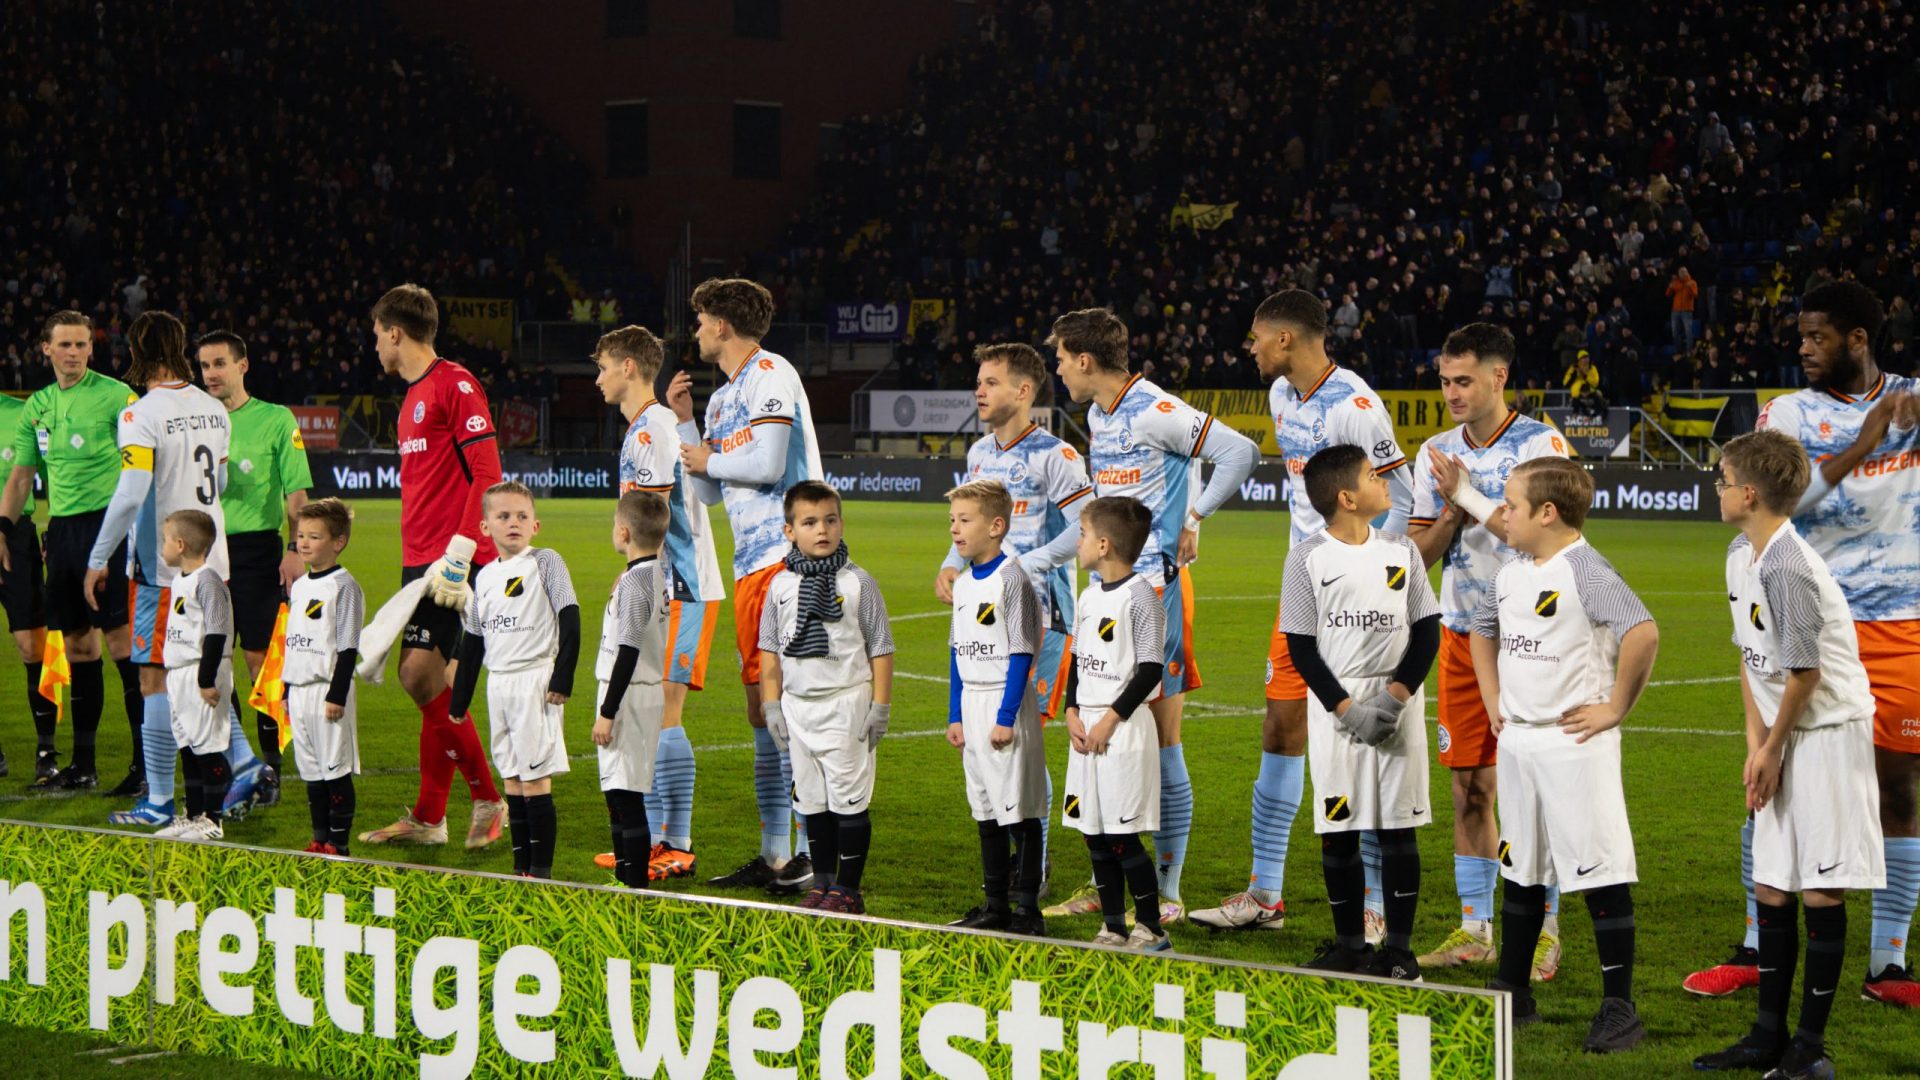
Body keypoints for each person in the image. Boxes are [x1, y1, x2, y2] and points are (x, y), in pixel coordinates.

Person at [1687, 281, 1920, 1007]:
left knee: (1898, 790)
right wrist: (1866, 444)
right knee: (1771, 778)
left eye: (1818, 336)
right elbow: (1784, 495)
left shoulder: (1915, 395)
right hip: (1806, 610)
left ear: (1859, 338)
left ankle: (1888, 966)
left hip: (1902, 620)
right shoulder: (1788, 413)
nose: (1804, 347)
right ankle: (1760, 946)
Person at [1192, 288, 1411, 936]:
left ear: (1285, 338)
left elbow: (1400, 495)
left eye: (1257, 336)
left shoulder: (1356, 406)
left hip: (1357, 601)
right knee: (1281, 728)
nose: (1250, 348)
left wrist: (1372, 572)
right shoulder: (1281, 397)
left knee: (1362, 745)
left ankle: (1373, 905)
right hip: (1302, 594)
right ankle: (1266, 895)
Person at [1046, 307, 1258, 926]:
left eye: (1061, 358)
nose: (1058, 369)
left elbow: (1239, 452)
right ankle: (1105, 876)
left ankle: (1165, 890)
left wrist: (1194, 519)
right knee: (1098, 737)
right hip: (1104, 595)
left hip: (1156, 595)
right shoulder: (1097, 413)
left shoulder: (1153, 409)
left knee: (1161, 744)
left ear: (1085, 360)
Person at [1694, 430, 1886, 1077]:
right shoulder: (1738, 555)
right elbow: (1754, 663)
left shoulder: (1786, 564)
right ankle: (1765, 1038)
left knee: (1820, 891)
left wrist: (1773, 748)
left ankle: (1810, 1048)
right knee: (1772, 886)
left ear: (1749, 493)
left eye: (1722, 480)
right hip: (1783, 734)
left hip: (1827, 736)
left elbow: (1803, 672)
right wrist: (1757, 746)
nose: (1717, 489)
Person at [1469, 457, 1658, 1053]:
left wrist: (1615, 709)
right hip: (1520, 738)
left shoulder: (1587, 569)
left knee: (1598, 873)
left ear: (1547, 513)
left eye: (1511, 505)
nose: (1503, 514)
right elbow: (1481, 630)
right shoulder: (1511, 570)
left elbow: (1643, 631)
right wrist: (1493, 697)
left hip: (1576, 742)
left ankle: (1619, 1008)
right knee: (1520, 867)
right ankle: (1512, 992)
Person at [1406, 322, 1573, 978]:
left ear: (1500, 377)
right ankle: (1475, 927)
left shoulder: (1543, 446)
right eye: (1445, 380)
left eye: (1464, 380)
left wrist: (1468, 495)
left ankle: (1546, 927)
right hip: (1459, 634)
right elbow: (1417, 555)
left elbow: (1547, 541)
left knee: (1531, 787)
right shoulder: (1436, 453)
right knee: (1470, 788)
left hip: (1530, 638)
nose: (1451, 392)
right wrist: (1450, 511)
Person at [86, 311, 266, 828]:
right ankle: (244, 763)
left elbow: (130, 494)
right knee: (195, 672)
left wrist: (99, 559)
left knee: (155, 678)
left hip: (165, 572)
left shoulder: (141, 414)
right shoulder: (215, 408)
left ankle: (161, 800)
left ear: (135, 352)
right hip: (215, 561)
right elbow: (223, 481)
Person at [674, 278, 824, 894]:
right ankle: (775, 855)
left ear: (723, 326)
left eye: (702, 319)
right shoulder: (720, 398)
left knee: (793, 710)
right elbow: (710, 489)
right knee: (761, 713)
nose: (697, 330)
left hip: (790, 563)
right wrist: (688, 429)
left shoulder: (770, 375)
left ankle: (813, 853)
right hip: (749, 568)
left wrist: (709, 458)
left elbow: (764, 465)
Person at [934, 341, 1094, 893]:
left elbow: (1086, 525)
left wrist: (1031, 563)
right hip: (985, 616)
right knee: (989, 736)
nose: (980, 391)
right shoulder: (979, 455)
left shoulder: (1057, 455)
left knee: (1022, 736)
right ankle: (1011, 862)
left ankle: (1035, 862)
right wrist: (952, 562)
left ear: (1024, 391)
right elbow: (969, 524)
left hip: (1041, 614)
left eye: (992, 382)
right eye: (978, 382)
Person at [356, 284, 508, 851]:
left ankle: (490, 798)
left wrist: (463, 552)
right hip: (422, 562)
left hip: (454, 562)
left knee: (418, 676)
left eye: (377, 334)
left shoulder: (455, 383)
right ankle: (428, 818)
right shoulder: (412, 398)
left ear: (395, 331)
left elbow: (487, 472)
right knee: (436, 687)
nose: (375, 346)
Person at [1280, 445, 1439, 981]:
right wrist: (1348, 710)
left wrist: (1394, 698)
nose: (1385, 479)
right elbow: (1301, 646)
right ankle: (1351, 946)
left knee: (1398, 827)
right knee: (1339, 829)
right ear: (1348, 497)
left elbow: (1426, 631)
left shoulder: (1403, 551)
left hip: (1398, 709)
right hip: (1336, 712)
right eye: (1374, 475)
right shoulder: (1306, 558)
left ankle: (1399, 952)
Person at [594, 324, 725, 881]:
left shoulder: (649, 431)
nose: (597, 379)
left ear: (628, 367)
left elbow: (654, 518)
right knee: (652, 713)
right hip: (662, 588)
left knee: (664, 711)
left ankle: (676, 842)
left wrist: (645, 586)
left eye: (602, 367)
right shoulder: (649, 427)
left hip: (679, 590)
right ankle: (655, 841)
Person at [0, 311, 143, 796]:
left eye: (82, 345)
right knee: (81, 647)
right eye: (64, 345)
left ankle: (144, 764)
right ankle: (84, 766)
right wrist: (3, 527)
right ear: (46, 349)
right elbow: (21, 478)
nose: (74, 353)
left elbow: (138, 468)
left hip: (111, 528)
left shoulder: (117, 397)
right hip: (61, 534)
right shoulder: (36, 406)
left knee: (123, 646)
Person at [757, 480, 895, 915]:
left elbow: (881, 647)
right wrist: (771, 705)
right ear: (789, 530)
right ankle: (823, 883)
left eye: (830, 520)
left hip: (845, 705)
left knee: (848, 800)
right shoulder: (779, 586)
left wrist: (880, 707)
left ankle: (849, 890)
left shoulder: (858, 582)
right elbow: (769, 652)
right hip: (798, 709)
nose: (822, 530)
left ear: (841, 523)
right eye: (810, 522)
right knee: (811, 801)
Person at [198, 329, 313, 811]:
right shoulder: (196, 421)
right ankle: (233, 768)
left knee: (259, 665)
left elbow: (298, 495)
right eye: (204, 366)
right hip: (205, 555)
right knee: (210, 668)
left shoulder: (275, 419)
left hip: (257, 554)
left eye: (220, 363)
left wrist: (294, 547)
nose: (211, 374)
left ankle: (271, 769)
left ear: (243, 366)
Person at [448, 482, 581, 879]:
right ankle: (520, 868)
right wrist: (459, 701)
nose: (513, 523)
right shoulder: (485, 577)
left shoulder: (546, 561)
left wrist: (563, 677)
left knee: (536, 780)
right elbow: (473, 642)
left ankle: (541, 873)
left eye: (522, 516)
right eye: (503, 516)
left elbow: (570, 617)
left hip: (534, 681)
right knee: (512, 778)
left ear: (535, 524)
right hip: (499, 685)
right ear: (485, 527)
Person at [1062, 495, 1170, 951]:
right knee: (1094, 832)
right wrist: (1070, 709)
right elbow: (1077, 658)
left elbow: (1150, 669)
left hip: (1121, 729)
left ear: (1103, 544)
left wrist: (1110, 719)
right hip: (1086, 726)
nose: (1078, 542)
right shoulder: (1087, 596)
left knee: (1123, 836)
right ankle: (1112, 926)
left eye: (1083, 534)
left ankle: (1151, 928)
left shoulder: (1141, 597)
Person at [944, 479, 1050, 936]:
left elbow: (1022, 653)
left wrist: (1005, 718)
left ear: (997, 526)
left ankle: (1027, 909)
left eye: (965, 520)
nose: (955, 529)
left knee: (1019, 811)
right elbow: (955, 652)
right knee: (984, 808)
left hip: (1004, 703)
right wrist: (954, 714)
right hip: (972, 701)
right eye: (952, 521)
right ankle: (995, 905)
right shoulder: (964, 583)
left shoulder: (1013, 580)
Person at [593, 490, 673, 889]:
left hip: (628, 694)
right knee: (619, 792)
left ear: (623, 533)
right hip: (640, 691)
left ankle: (633, 886)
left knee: (626, 796)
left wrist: (607, 712)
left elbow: (627, 650)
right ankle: (626, 880)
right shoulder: (654, 573)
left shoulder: (635, 583)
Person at [281, 497, 363, 856]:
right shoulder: (299, 586)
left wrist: (337, 695)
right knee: (311, 771)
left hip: (327, 692)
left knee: (335, 770)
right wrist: (285, 689)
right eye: (301, 535)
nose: (304, 543)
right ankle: (319, 839)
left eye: (314, 537)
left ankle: (339, 843)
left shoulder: (344, 587)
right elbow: (292, 643)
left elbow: (347, 648)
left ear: (338, 542)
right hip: (299, 692)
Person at [150, 510, 236, 841]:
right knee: (188, 745)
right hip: (180, 673)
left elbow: (216, 632)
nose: (164, 547)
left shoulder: (208, 580)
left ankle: (213, 820)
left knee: (207, 746)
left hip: (203, 672)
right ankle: (194, 814)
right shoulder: (180, 580)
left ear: (181, 545)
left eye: (166, 540)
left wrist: (205, 679)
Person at [0, 382, 58, 780]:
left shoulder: (22, 413)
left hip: (15, 540)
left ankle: (46, 751)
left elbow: (56, 470)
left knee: (31, 646)